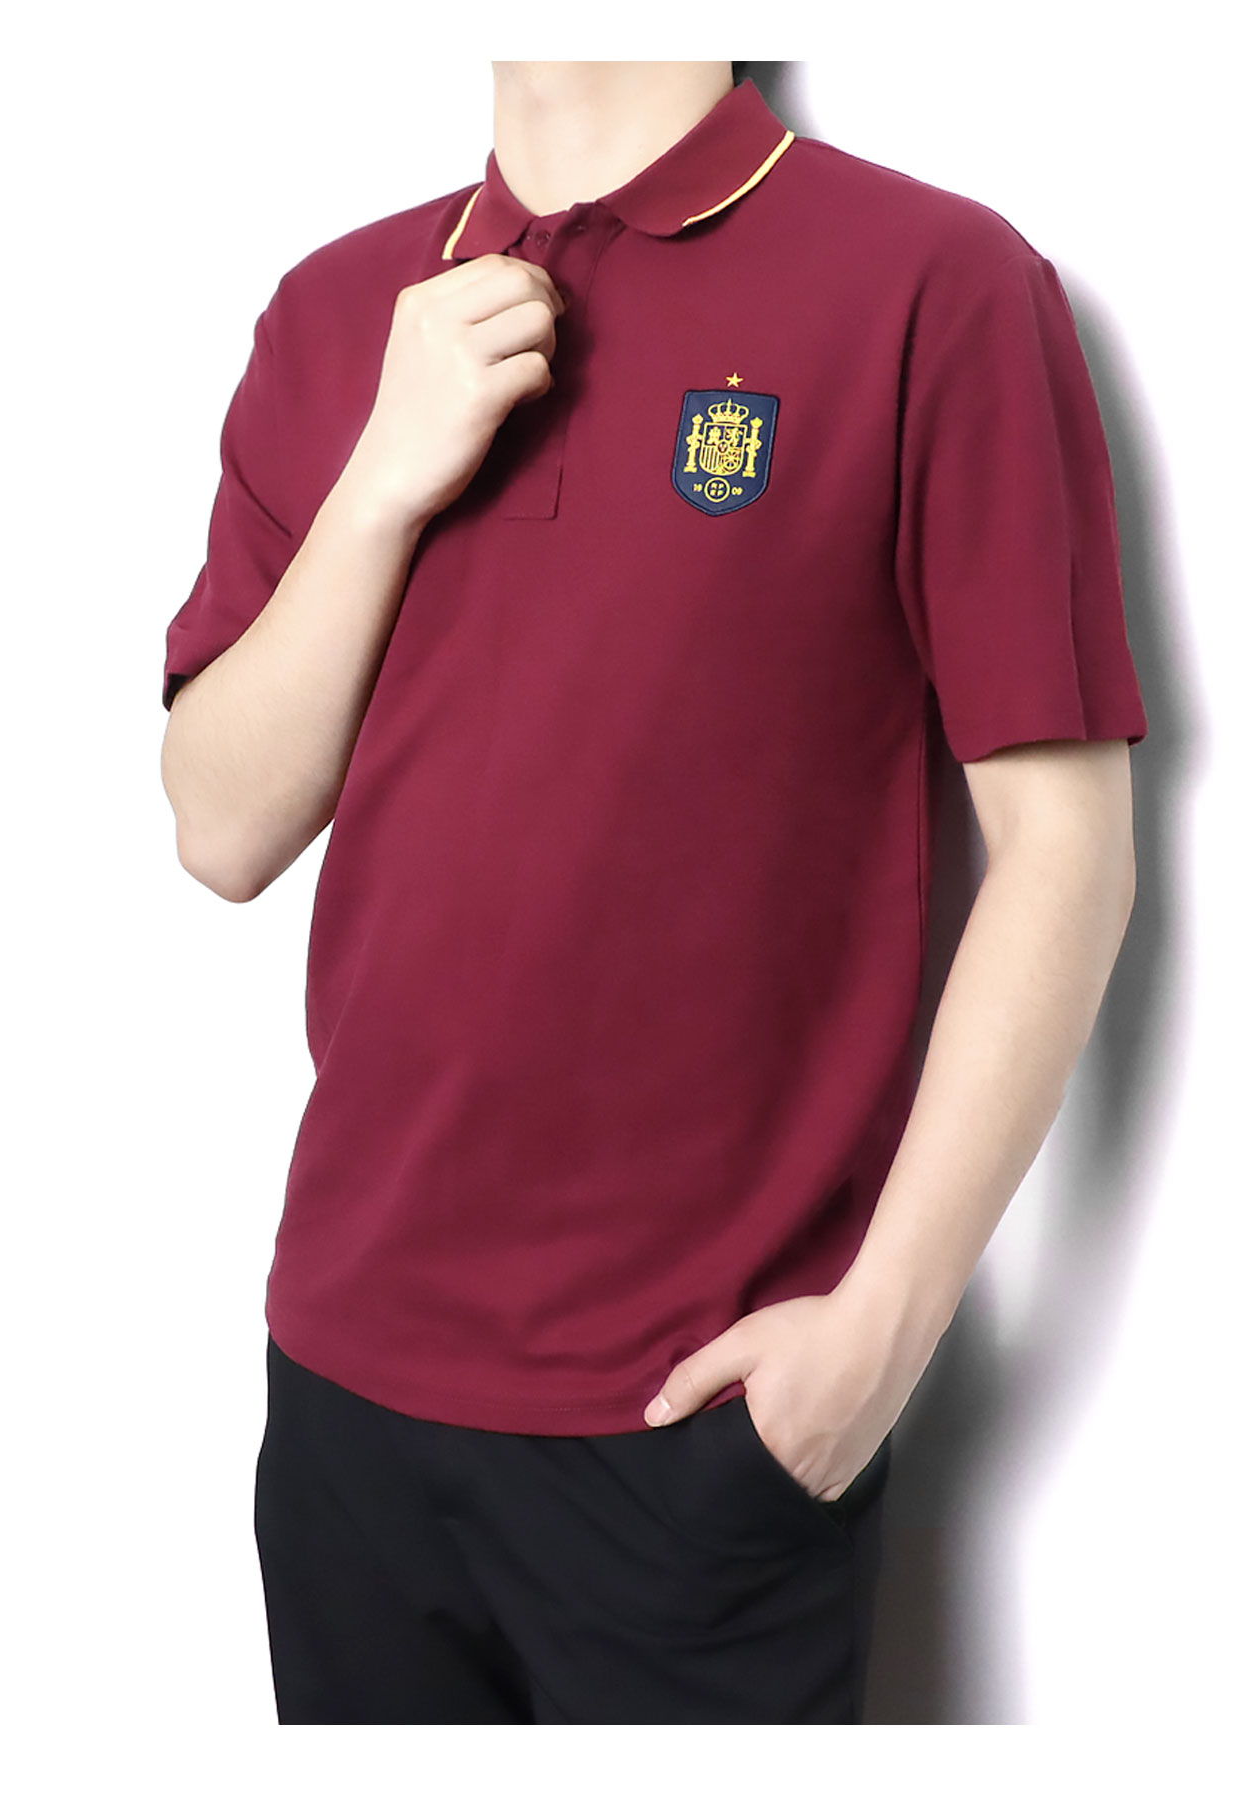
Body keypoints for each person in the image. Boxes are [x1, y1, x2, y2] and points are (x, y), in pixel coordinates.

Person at [159, 61, 1148, 1724]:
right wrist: (386, 472)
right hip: (343, 1385)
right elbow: (221, 824)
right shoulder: (340, 309)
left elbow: (1068, 849)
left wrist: (879, 1334)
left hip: (699, 1425)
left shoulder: (932, 281)